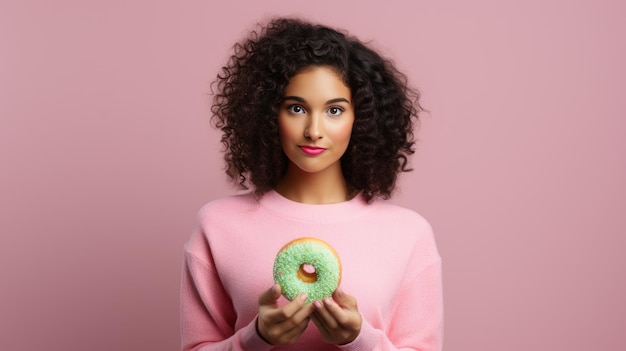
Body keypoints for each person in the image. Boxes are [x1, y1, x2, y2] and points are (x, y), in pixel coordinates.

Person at [180, 17, 443, 350]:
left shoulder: (409, 234)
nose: (314, 130)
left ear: (360, 118)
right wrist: (255, 338)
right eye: (296, 108)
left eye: (334, 110)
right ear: (267, 114)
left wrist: (359, 340)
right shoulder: (217, 225)